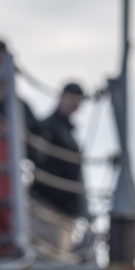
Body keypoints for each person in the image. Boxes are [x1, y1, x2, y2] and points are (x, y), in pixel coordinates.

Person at [30, 82, 88, 219]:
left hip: (65, 209)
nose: (73, 104)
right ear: (61, 97)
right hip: (48, 206)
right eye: (71, 98)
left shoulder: (67, 132)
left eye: (77, 100)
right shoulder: (46, 127)